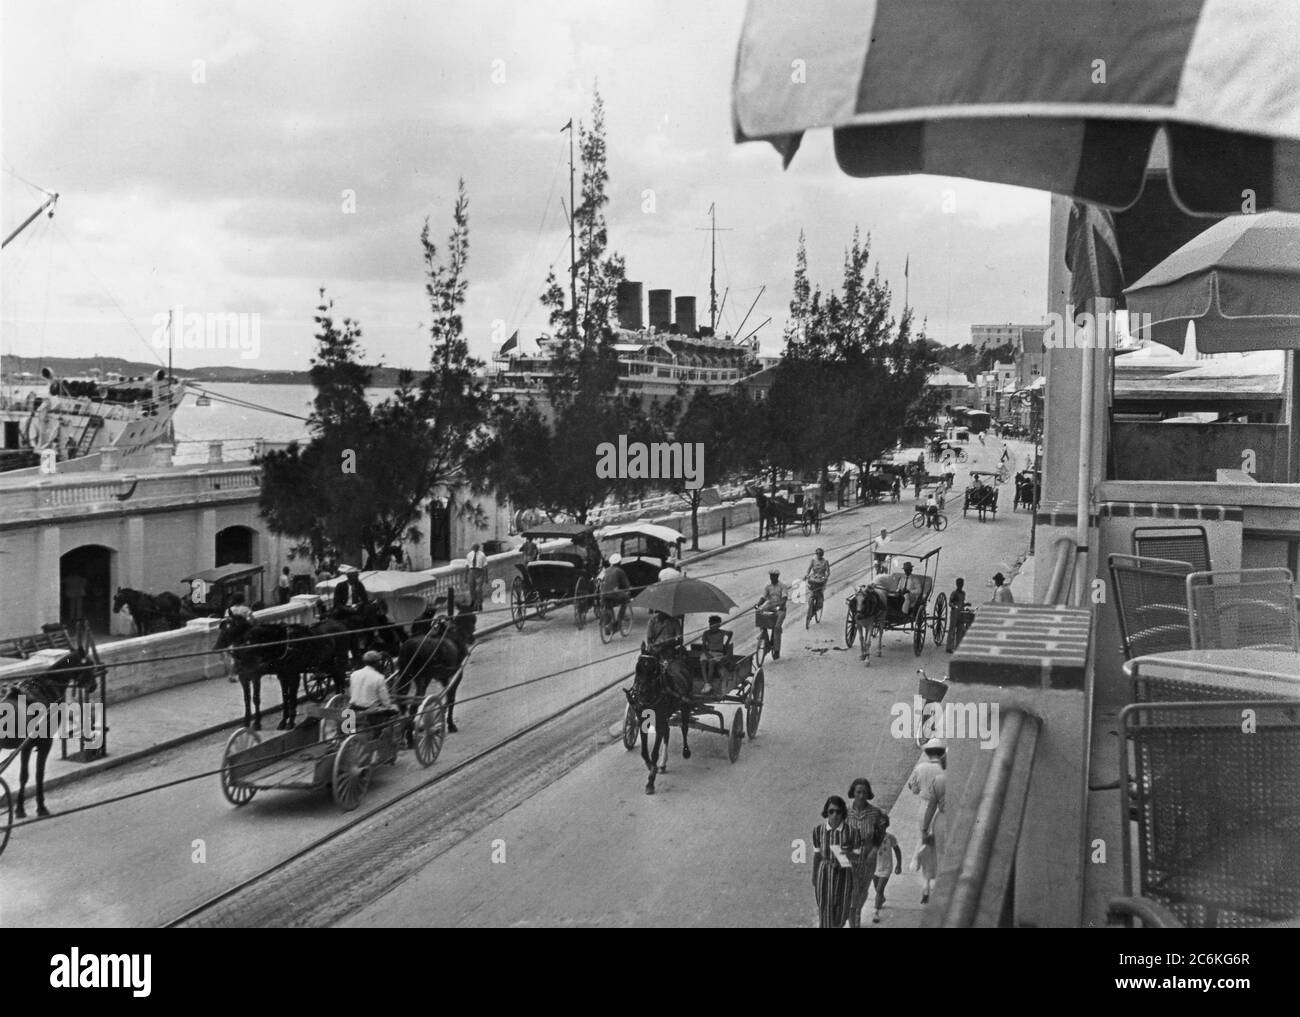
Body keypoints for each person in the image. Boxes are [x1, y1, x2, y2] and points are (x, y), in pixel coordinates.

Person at [812, 795, 862, 928]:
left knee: (841, 910)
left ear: (843, 813)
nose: (834, 815)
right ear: (826, 813)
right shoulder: (819, 831)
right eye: (831, 811)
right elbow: (817, 856)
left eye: (838, 812)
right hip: (825, 874)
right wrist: (814, 877)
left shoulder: (852, 832)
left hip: (844, 875)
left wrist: (847, 854)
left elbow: (858, 857)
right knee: (825, 909)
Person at [908, 738, 948, 904]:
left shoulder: (921, 768)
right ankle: (936, 880)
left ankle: (922, 874)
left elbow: (914, 788)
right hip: (939, 808)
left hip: (924, 805)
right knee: (937, 846)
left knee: (923, 839)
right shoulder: (944, 770)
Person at [845, 778, 887, 928]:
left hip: (868, 859)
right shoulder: (845, 812)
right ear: (853, 793)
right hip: (849, 860)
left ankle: (857, 914)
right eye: (858, 792)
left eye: (864, 792)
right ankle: (854, 923)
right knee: (850, 894)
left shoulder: (876, 813)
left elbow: (881, 833)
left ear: (868, 793)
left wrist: (874, 850)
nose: (861, 795)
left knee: (862, 891)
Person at [348, 649, 395, 735]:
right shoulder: (379, 677)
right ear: (377, 663)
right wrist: (390, 707)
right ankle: (379, 735)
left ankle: (349, 733)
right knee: (395, 711)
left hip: (353, 708)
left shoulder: (354, 674)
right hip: (371, 712)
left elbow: (352, 691)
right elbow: (385, 700)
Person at [871, 816, 904, 924]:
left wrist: (899, 865)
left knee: (879, 889)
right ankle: (882, 899)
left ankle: (876, 912)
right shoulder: (872, 838)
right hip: (874, 867)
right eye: (880, 825)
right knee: (877, 888)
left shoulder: (890, 838)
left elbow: (897, 851)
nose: (883, 827)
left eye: (885, 825)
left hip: (886, 867)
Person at [754, 569, 789, 660]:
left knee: (777, 628)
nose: (772, 578)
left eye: (774, 576)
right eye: (771, 576)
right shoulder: (768, 586)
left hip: (780, 608)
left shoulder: (782, 586)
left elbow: (784, 597)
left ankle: (776, 650)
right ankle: (764, 635)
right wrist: (758, 604)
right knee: (759, 613)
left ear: (777, 576)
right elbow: (763, 597)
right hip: (770, 605)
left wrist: (781, 605)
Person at [698, 615, 731, 695]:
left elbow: (730, 633)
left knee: (711, 663)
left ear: (718, 625)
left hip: (719, 653)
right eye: (710, 624)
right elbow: (703, 647)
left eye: (713, 625)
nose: (711, 626)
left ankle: (707, 683)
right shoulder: (706, 633)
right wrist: (707, 654)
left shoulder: (722, 632)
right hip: (708, 652)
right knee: (703, 663)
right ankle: (707, 684)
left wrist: (726, 644)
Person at [600, 553, 632, 631]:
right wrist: (629, 589)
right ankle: (619, 619)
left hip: (603, 594)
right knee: (626, 599)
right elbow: (626, 585)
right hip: (614, 593)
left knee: (608, 605)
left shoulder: (606, 570)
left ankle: (608, 625)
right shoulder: (620, 571)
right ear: (619, 562)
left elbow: (600, 580)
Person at [946, 577, 972, 653]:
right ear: (957, 584)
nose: (960, 585)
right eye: (959, 584)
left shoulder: (963, 593)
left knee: (960, 630)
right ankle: (949, 647)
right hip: (954, 613)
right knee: (952, 629)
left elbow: (962, 603)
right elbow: (950, 603)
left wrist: (966, 604)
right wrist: (954, 606)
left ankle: (958, 647)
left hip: (961, 613)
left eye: (961, 584)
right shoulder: (954, 593)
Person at [466, 543, 488, 611]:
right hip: (471, 572)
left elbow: (485, 566)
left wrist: (486, 577)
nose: (475, 548)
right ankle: (474, 603)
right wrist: (465, 576)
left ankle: (479, 603)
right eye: (474, 547)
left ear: (478, 548)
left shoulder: (482, 555)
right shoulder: (469, 555)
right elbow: (467, 565)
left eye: (476, 547)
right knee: (471, 589)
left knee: (478, 589)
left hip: (479, 572)